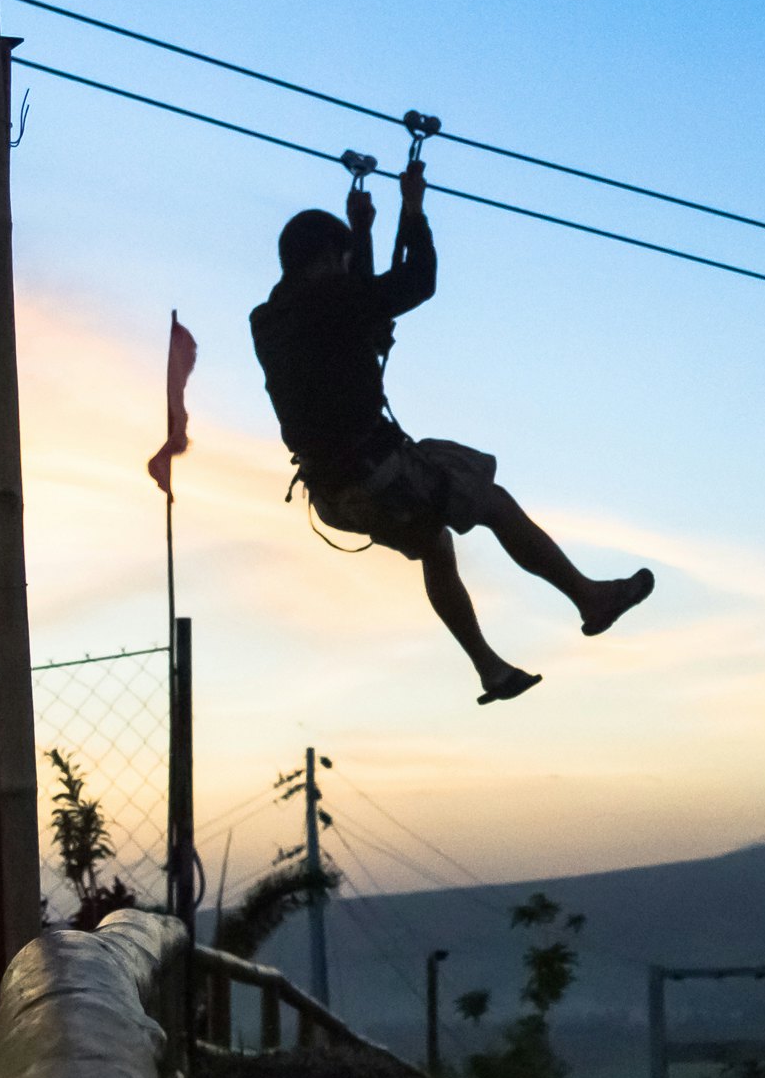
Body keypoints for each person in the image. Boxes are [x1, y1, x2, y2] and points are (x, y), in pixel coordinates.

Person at [251, 156, 650, 702]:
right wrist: (413, 209)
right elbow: (417, 282)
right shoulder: (331, 298)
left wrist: (363, 233)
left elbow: (356, 311)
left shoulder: (270, 319)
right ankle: (589, 598)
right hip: (376, 472)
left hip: (334, 495)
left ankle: (490, 669)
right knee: (491, 500)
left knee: (436, 545)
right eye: (342, 260)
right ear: (327, 259)